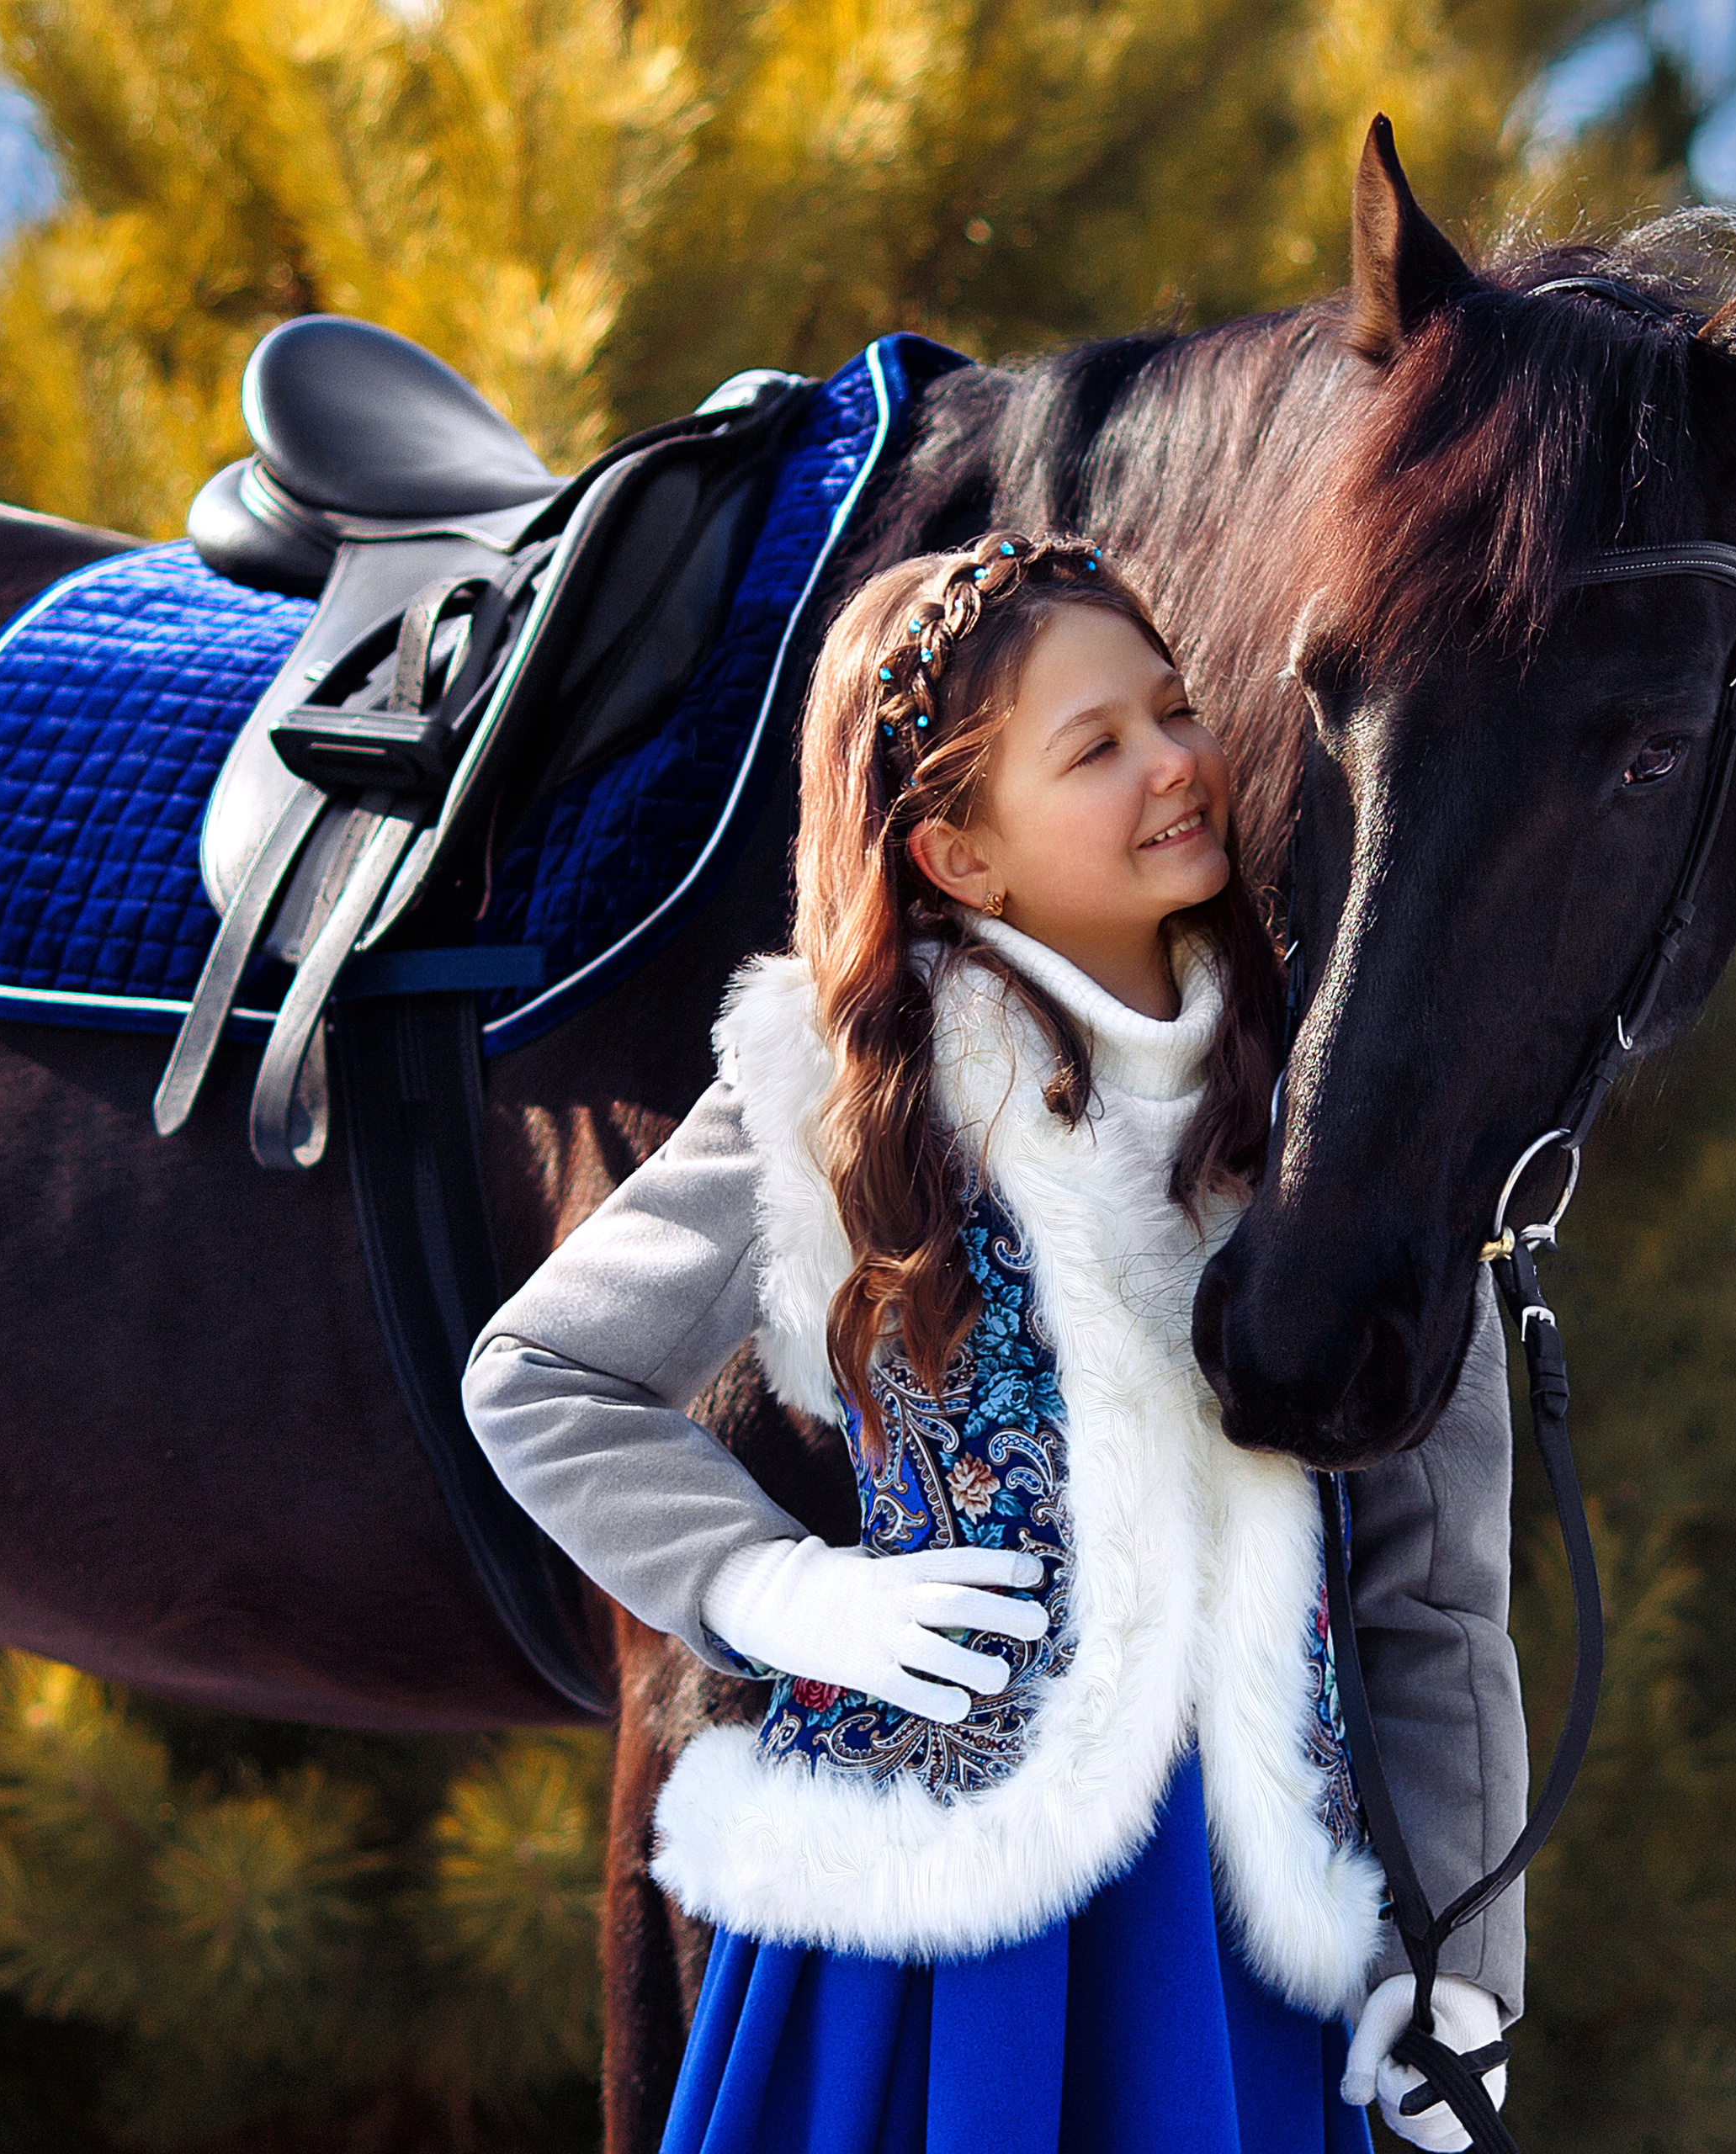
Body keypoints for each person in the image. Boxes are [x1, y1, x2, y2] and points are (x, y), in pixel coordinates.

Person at [464, 530, 1526, 2152]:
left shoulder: (1331, 1117)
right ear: (959, 851)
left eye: (1173, 712)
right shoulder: (839, 1092)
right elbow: (539, 1380)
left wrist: (1461, 1968)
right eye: (1097, 748)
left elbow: (1435, 1593)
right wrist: (771, 1589)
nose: (1176, 763)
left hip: (1238, 1940)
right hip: (925, 1920)